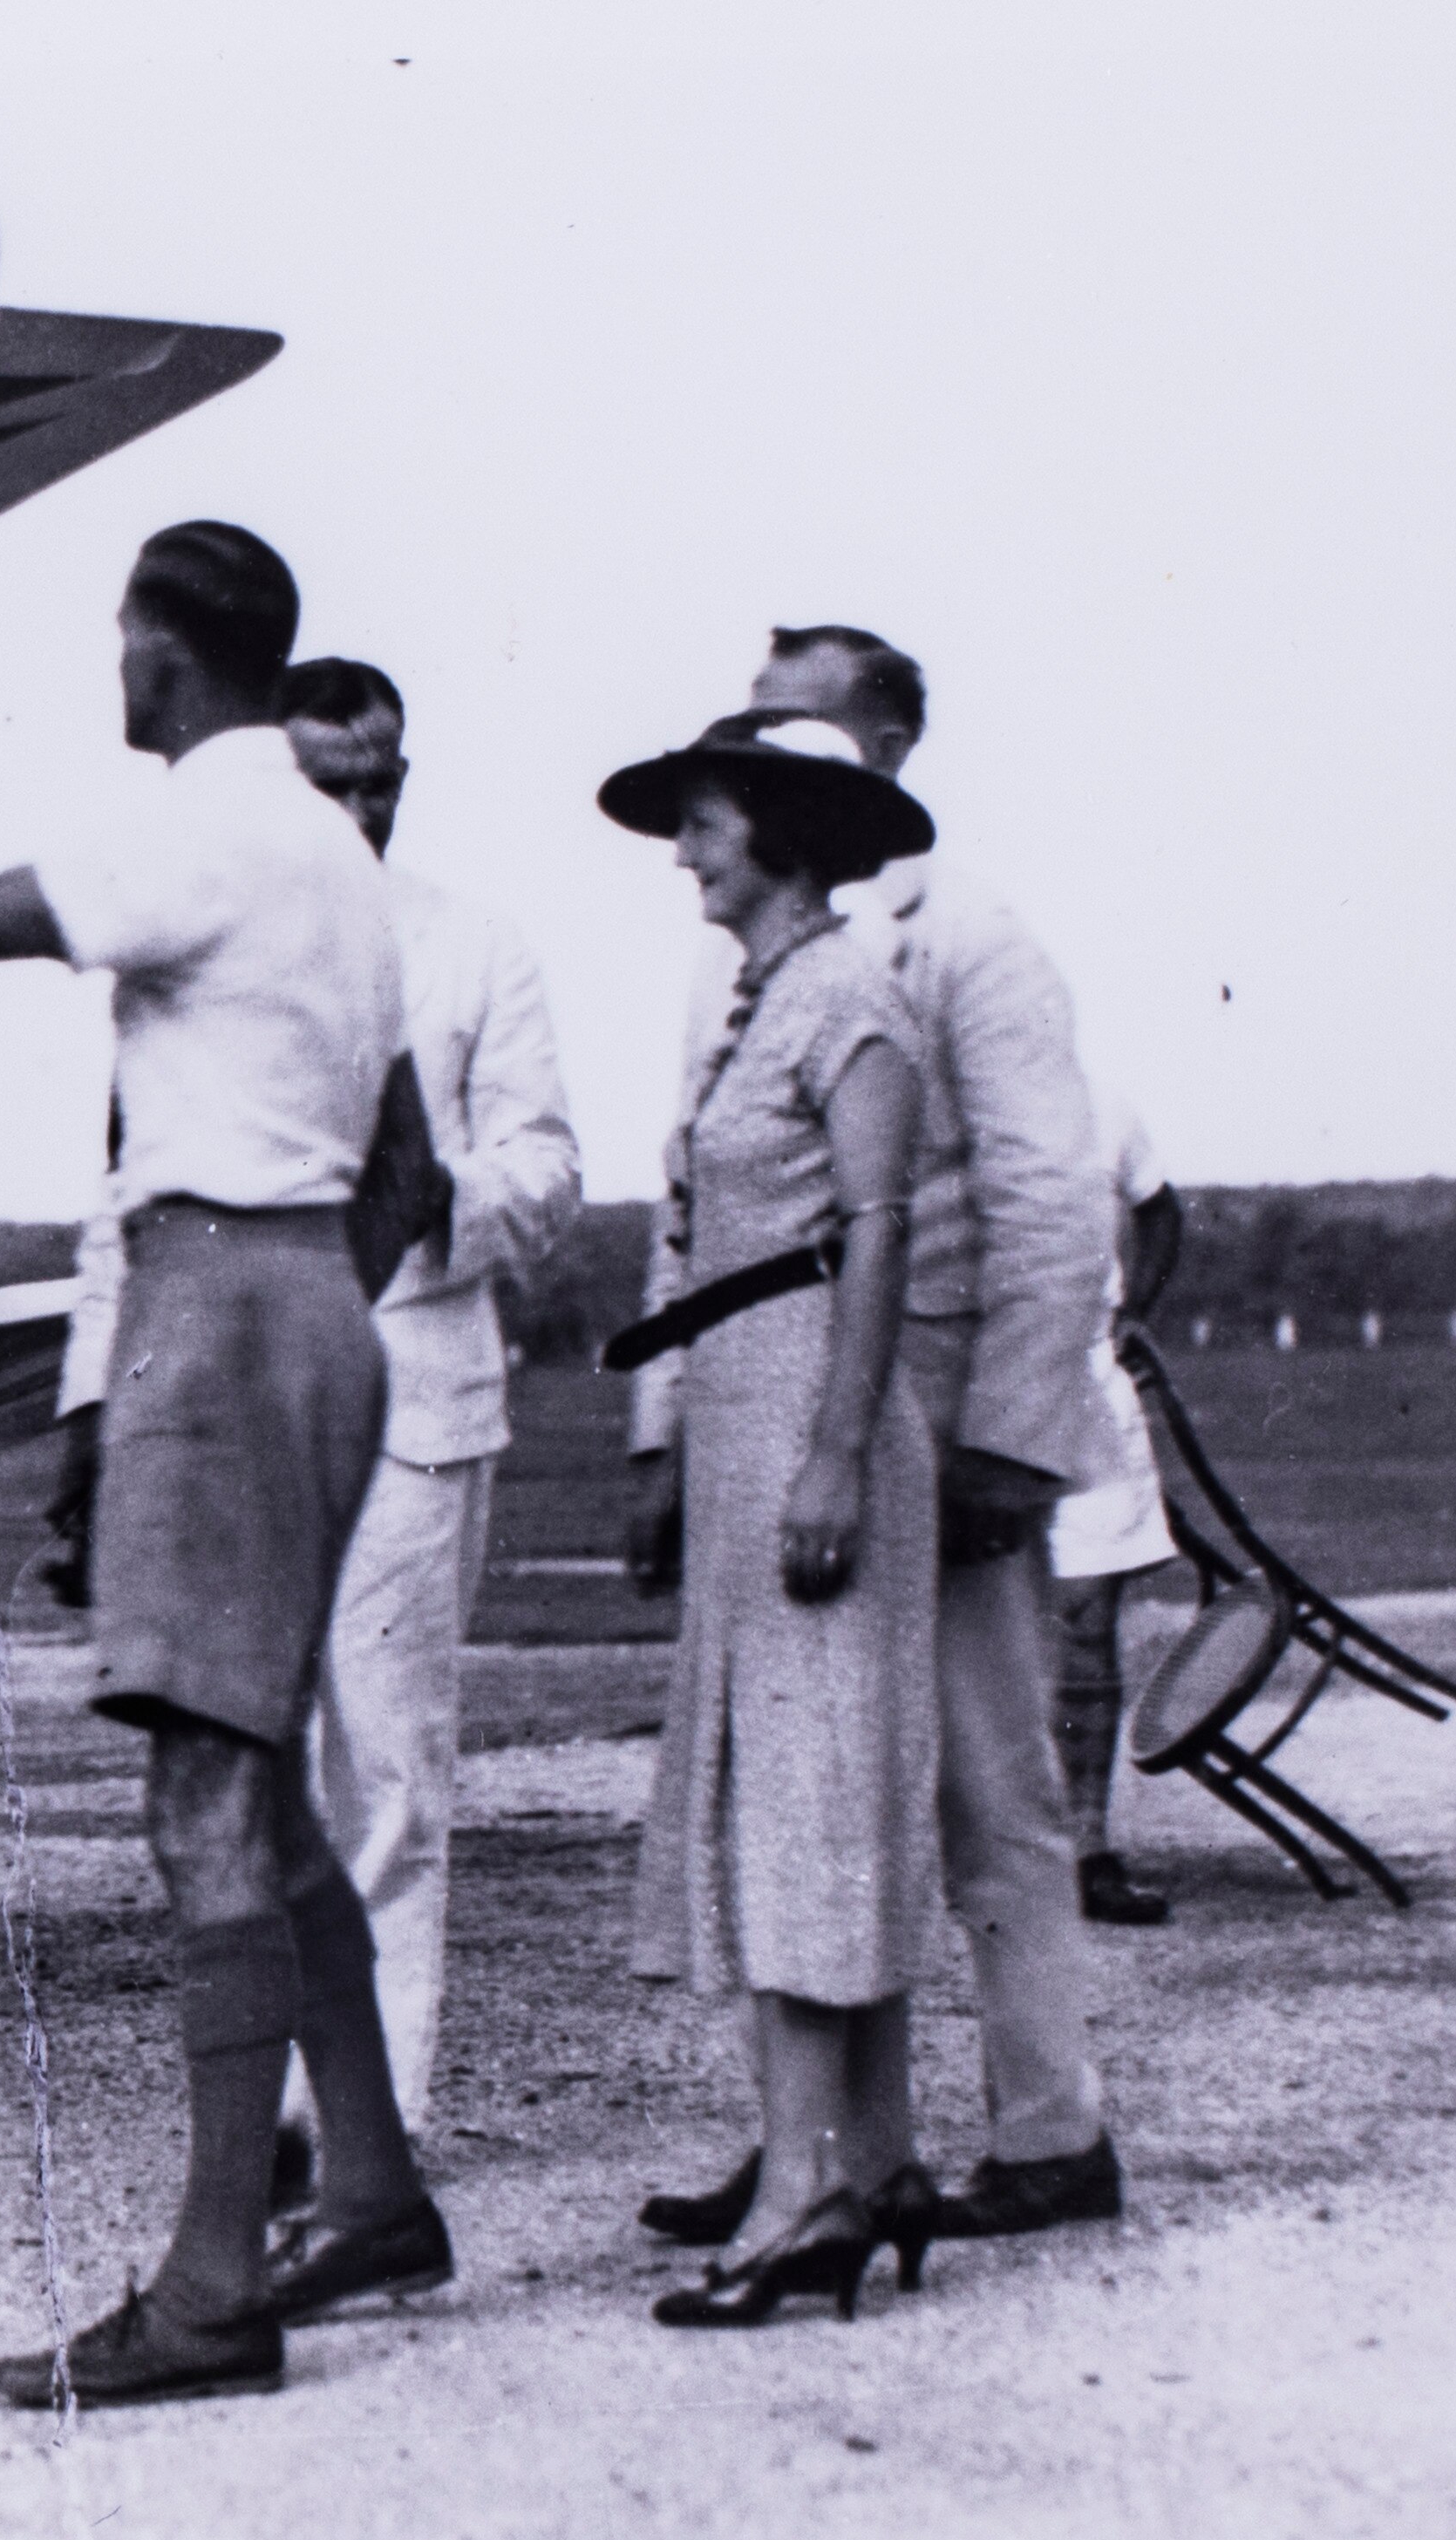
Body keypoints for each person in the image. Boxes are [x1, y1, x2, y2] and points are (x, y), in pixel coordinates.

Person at [0, 521, 442, 2407]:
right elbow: (413, 1179)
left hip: (221, 1300)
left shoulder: (205, 818)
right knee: (259, 1790)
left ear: (160, 656)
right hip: (300, 1303)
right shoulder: (332, 851)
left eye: (122, 645)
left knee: (202, 1809)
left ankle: (214, 2292)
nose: (112, 675)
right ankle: (364, 2185)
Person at [631, 625, 1125, 2257]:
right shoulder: (750, 962)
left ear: (889, 740)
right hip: (772, 1402)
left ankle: (1050, 2126)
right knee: (813, 1784)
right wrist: (663, 1434)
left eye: (801, 723)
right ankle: (838, 2143)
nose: (762, 745)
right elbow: (699, 1204)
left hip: (924, 1414)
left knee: (985, 1784)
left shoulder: (965, 939)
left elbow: (1053, 1196)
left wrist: (1012, 1430)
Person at [593, 709, 943, 2325]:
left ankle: (806, 2190)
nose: (682, 852)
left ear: (783, 834)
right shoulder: (771, 999)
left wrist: (837, 1457)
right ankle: (869, 2157)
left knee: (813, 1798)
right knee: (803, 1786)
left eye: (707, 821)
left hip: (813, 1403)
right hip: (748, 1410)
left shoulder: (853, 996)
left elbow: (877, 1236)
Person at [258, 661, 581, 2181]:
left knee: (389, 1764)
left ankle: (365, 2121)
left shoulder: (473, 949)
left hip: (414, 1394)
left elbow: (549, 1168)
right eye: (329, 781)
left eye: (382, 780)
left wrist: (436, 1197)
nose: (360, 809)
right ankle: (268, 2100)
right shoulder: (223, 943)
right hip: (253, 1404)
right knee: (256, 1760)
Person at [1045, 1083, 1183, 1928]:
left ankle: (1087, 1850)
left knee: (1084, 1626)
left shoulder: (1101, 1106)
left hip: (1085, 1380)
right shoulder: (937, 1096)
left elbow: (1159, 1210)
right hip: (971, 1379)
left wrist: (1134, 1314)